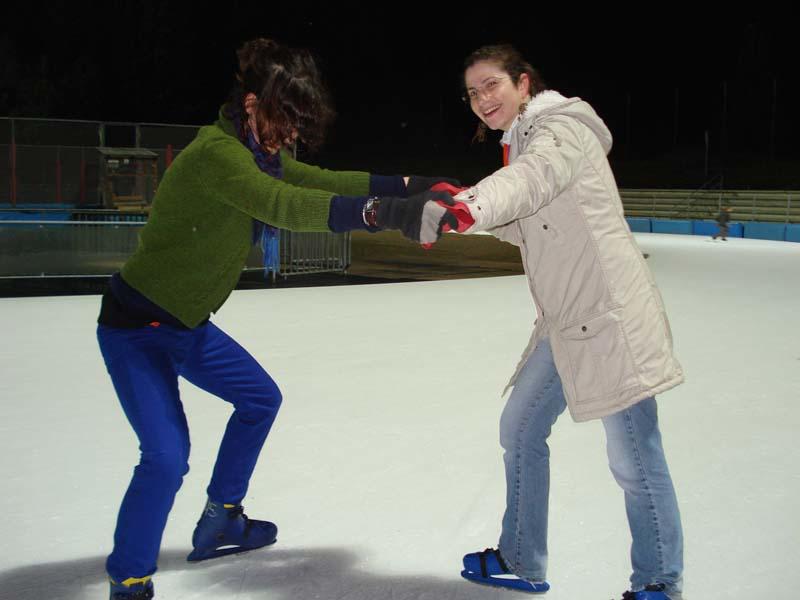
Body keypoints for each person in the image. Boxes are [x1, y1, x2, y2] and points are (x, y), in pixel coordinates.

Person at [97, 38, 457, 600]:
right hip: (136, 328)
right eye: (284, 120)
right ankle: (130, 579)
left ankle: (222, 518)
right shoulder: (217, 156)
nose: (290, 136)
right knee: (166, 458)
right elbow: (284, 205)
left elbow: (319, 181)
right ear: (250, 105)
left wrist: (409, 186)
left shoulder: (256, 156)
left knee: (260, 399)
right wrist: (385, 213)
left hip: (186, 326)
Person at [445, 45, 686, 600]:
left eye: (491, 84)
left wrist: (471, 204)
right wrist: (456, 205)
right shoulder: (523, 141)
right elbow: (525, 217)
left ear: (523, 83)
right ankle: (520, 557)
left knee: (633, 456)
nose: (482, 99)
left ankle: (659, 582)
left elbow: (534, 179)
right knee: (520, 428)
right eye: (473, 92)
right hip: (568, 322)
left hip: (610, 318)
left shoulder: (560, 130)